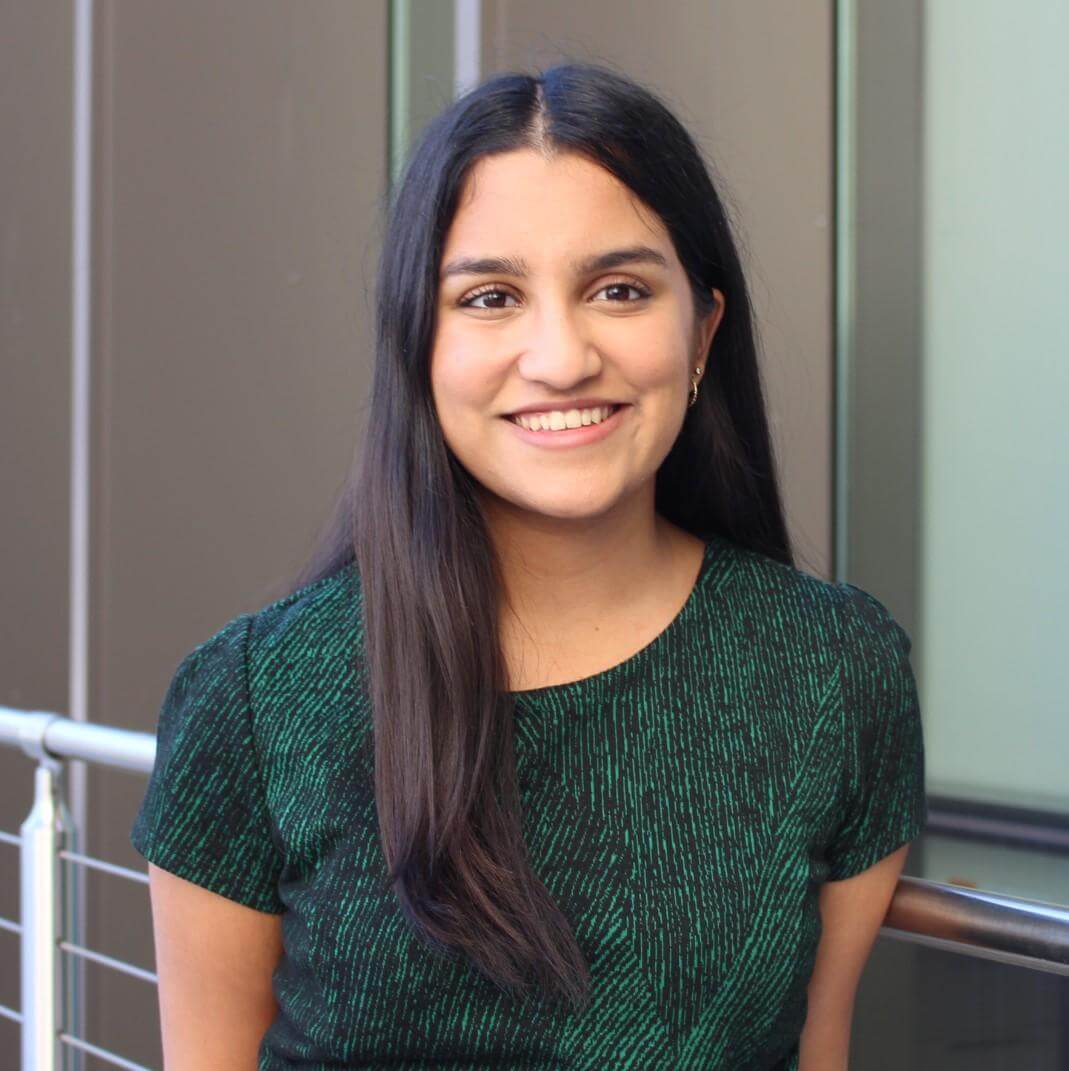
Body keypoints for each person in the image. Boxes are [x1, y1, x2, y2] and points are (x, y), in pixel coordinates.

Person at [131, 61, 927, 1071]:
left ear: (702, 331)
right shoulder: (254, 697)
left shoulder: (833, 672)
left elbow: (815, 1051)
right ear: (419, 342)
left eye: (621, 289)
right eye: (492, 297)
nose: (559, 357)